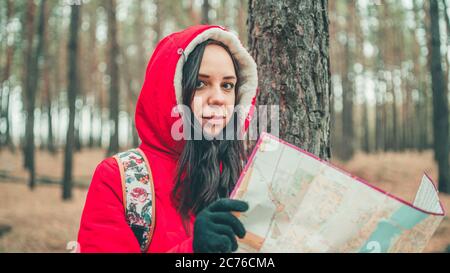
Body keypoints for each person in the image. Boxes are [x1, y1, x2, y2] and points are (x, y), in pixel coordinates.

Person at [77, 25, 259, 253]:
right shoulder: (120, 180)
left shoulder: (247, 175)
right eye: (201, 83)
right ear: (170, 89)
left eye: (227, 85)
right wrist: (193, 251)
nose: (219, 98)